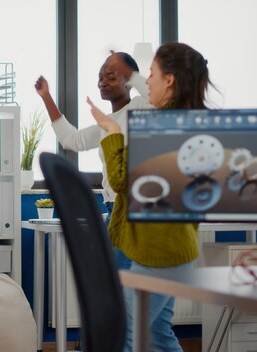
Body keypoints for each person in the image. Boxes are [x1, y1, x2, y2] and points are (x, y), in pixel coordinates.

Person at [87, 42, 212, 352]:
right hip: (171, 250)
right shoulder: (185, 120)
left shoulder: (162, 126)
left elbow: (120, 181)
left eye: (152, 74)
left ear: (169, 80)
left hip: (158, 254)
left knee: (126, 335)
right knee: (157, 333)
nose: (146, 82)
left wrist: (112, 131)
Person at [35, 51, 151, 268]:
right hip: (113, 209)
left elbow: (154, 95)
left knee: (126, 288)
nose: (103, 82)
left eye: (112, 76)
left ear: (128, 81)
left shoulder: (141, 107)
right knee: (124, 283)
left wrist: (133, 73)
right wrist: (46, 96)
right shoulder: (105, 124)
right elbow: (72, 139)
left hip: (134, 210)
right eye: (100, 77)